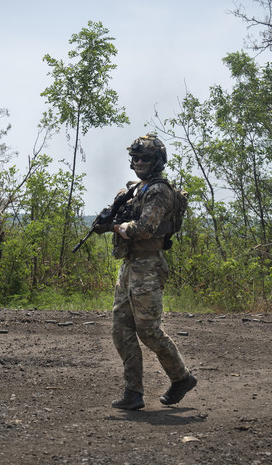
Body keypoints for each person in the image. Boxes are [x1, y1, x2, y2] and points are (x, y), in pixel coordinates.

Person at [94, 133, 197, 410]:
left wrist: (113, 228)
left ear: (157, 161)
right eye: (136, 157)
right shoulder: (135, 189)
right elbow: (127, 221)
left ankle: (181, 377)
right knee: (120, 328)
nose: (139, 162)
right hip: (130, 265)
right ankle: (133, 392)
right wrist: (110, 219)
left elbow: (144, 229)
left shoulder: (159, 191)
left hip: (149, 266)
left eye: (145, 158)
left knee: (148, 330)